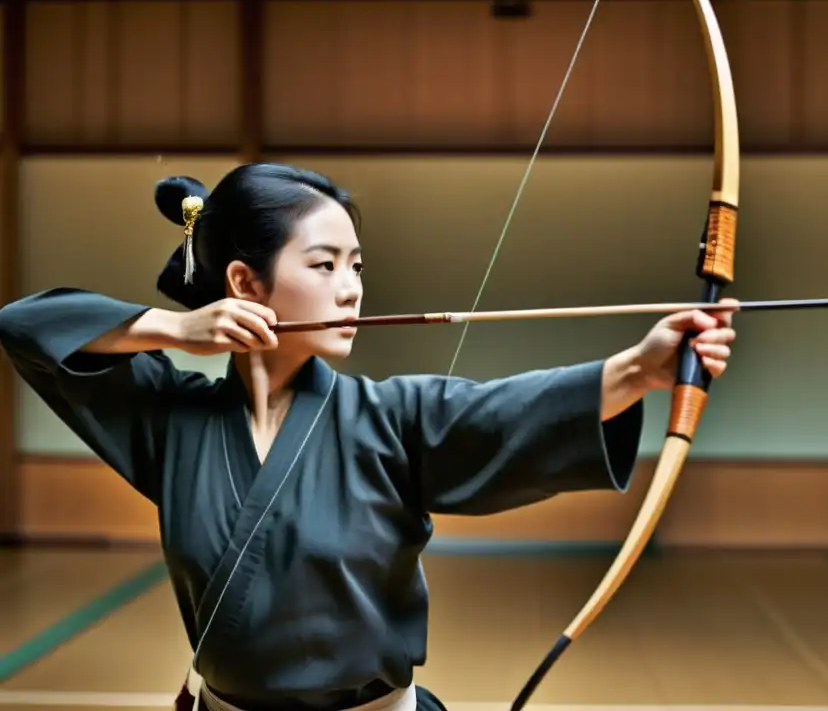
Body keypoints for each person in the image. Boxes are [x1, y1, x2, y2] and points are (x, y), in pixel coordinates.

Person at [0, 163, 737, 711]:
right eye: (324, 266)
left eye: (357, 265)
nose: (351, 287)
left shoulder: (393, 421)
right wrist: (172, 328)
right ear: (245, 283)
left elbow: (504, 412)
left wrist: (641, 367)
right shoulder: (171, 422)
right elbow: (23, 326)